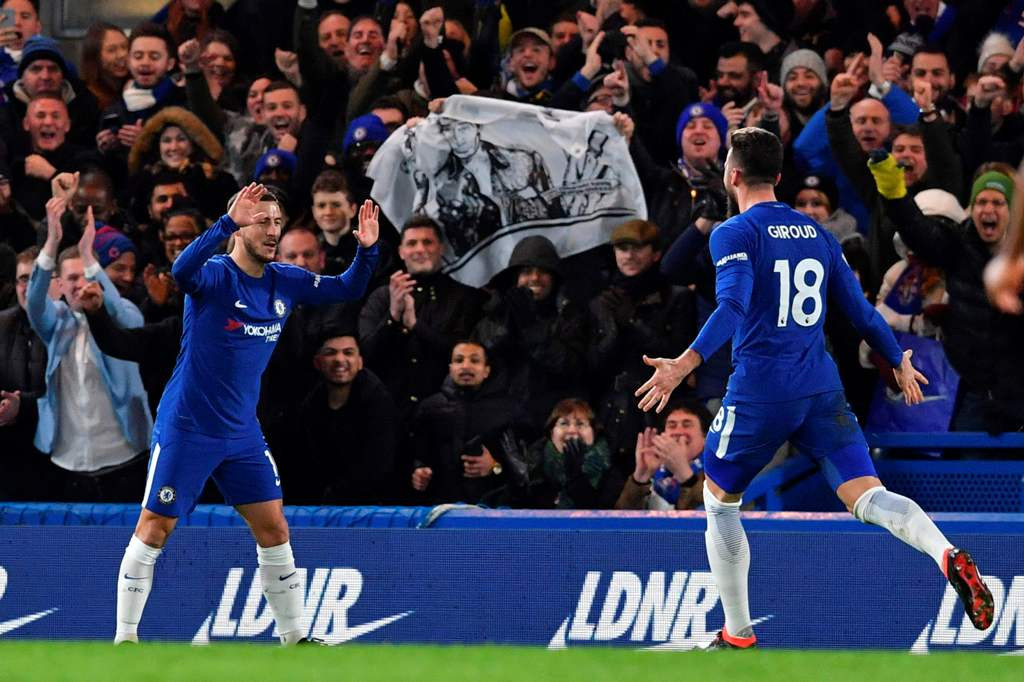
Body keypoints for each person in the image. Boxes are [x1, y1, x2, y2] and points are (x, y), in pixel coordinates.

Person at [635, 127, 993, 649]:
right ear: (778, 178)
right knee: (869, 495)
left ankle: (737, 634)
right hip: (822, 388)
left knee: (718, 502)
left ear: (733, 175)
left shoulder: (733, 233)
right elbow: (860, 310)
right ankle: (944, 553)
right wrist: (898, 360)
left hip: (760, 391)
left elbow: (732, 307)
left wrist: (683, 363)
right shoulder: (818, 234)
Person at [111, 185, 380, 646]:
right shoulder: (215, 275)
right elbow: (180, 270)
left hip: (241, 433)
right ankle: (125, 638)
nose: (273, 231)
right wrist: (223, 224)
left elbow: (350, 287)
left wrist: (367, 250)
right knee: (155, 528)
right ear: (240, 226)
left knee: (274, 527)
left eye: (277, 223)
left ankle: (294, 637)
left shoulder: (285, 279)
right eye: (262, 222)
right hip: (188, 427)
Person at [616, 399, 712, 511]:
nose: (678, 432)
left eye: (687, 425)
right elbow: (622, 524)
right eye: (672, 426)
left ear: (705, 437)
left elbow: (716, 519)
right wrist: (640, 479)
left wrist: (685, 475)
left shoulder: (719, 472)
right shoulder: (655, 470)